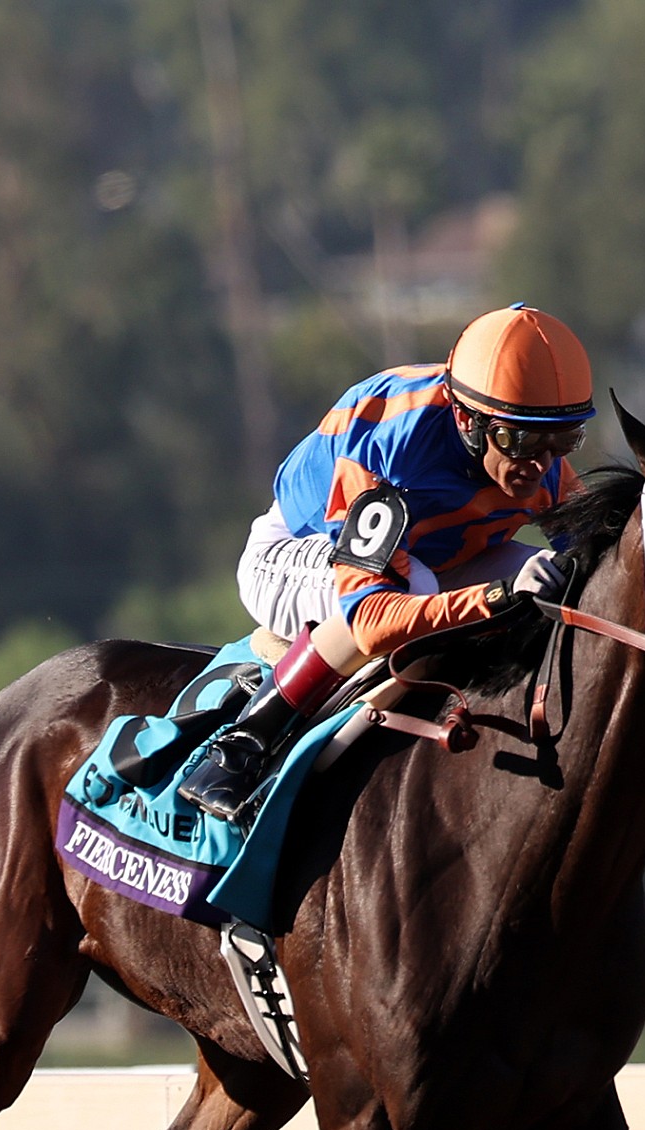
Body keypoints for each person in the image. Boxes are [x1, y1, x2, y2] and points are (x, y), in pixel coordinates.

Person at [177, 303, 597, 821]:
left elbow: (596, 562)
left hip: (421, 556)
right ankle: (241, 747)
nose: (542, 464)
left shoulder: (537, 454)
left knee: (559, 579)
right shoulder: (390, 444)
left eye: (563, 440)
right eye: (522, 441)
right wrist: (497, 598)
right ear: (466, 419)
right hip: (290, 555)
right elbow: (373, 619)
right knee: (417, 589)